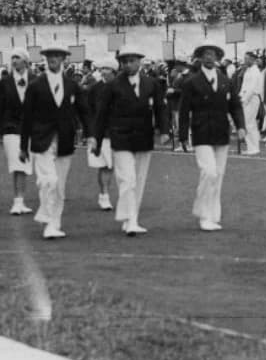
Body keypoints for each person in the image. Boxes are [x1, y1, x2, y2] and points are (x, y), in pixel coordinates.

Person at [92, 45, 169, 236]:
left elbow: (160, 109)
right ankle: (131, 219)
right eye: (124, 61)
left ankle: (130, 218)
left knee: (139, 180)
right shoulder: (112, 86)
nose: (128, 64)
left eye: (132, 60)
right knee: (127, 179)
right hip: (121, 137)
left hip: (143, 136)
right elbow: (101, 114)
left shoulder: (152, 84)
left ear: (139, 61)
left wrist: (165, 130)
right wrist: (97, 139)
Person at [21, 44, 89, 239]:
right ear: (45, 58)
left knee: (59, 186)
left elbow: (83, 111)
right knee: (48, 181)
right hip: (42, 140)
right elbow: (26, 117)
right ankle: (47, 218)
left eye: (57, 56)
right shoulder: (35, 85)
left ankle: (53, 223)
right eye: (50, 56)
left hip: (65, 141)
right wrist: (23, 146)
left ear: (63, 59)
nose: (53, 59)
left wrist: (90, 135)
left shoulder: (71, 85)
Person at [177, 41, 245, 231]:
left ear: (217, 58)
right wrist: (183, 135)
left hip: (221, 131)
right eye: (205, 54)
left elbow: (235, 105)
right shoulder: (191, 81)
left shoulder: (225, 80)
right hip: (201, 132)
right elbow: (184, 110)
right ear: (200, 58)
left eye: (213, 54)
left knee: (219, 175)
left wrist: (241, 126)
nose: (209, 57)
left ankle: (213, 214)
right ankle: (203, 214)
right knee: (209, 172)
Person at [0, 49, 34, 215]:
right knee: (18, 163)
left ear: (25, 61)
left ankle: (21, 200)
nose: (14, 61)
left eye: (17, 57)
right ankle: (17, 201)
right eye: (12, 58)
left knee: (24, 167)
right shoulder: (5, 82)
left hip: (31, 129)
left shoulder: (36, 80)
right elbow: (0, 106)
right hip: (11, 128)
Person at [85, 57, 118, 211]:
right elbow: (89, 112)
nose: (103, 72)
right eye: (102, 69)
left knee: (113, 166)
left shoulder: (120, 87)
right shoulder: (94, 89)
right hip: (101, 133)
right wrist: (92, 132)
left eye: (107, 69)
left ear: (114, 71)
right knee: (104, 166)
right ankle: (104, 196)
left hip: (117, 132)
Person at [236, 51, 264, 155]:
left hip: (252, 98)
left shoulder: (255, 71)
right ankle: (252, 147)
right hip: (246, 97)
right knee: (249, 123)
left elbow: (252, 88)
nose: (245, 60)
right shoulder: (248, 70)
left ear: (252, 59)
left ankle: (253, 148)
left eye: (247, 58)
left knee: (249, 123)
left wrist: (244, 100)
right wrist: (239, 96)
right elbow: (244, 86)